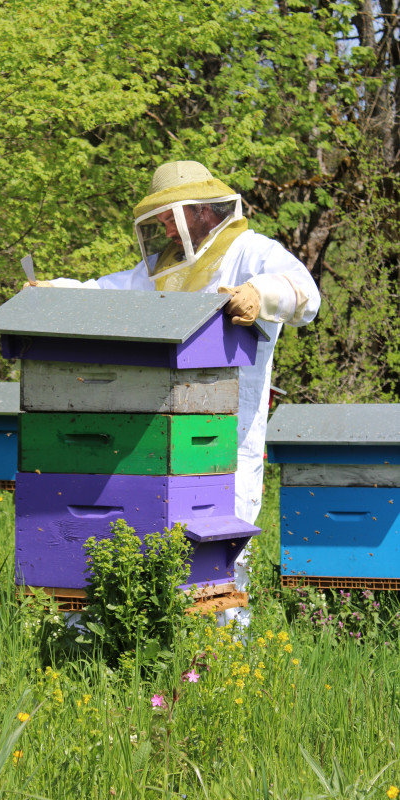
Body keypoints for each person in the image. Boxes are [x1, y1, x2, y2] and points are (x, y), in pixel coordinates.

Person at [26, 161, 321, 626]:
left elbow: (304, 292)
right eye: (160, 220)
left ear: (200, 210)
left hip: (227, 433)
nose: (165, 228)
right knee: (148, 540)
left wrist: (260, 295)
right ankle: (149, 640)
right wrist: (53, 292)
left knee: (223, 550)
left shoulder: (251, 251)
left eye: (170, 217)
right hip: (155, 430)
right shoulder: (163, 267)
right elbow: (105, 292)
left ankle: (227, 653)